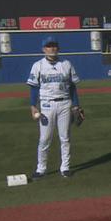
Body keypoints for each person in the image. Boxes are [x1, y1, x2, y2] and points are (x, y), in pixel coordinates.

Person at [27, 36, 81, 178]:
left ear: (57, 47)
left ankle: (65, 167)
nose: (51, 48)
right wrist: (33, 105)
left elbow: (72, 87)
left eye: (54, 46)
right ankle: (41, 169)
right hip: (46, 105)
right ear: (43, 49)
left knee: (65, 137)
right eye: (48, 46)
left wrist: (76, 106)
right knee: (44, 139)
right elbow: (33, 88)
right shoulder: (38, 66)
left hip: (64, 103)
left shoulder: (66, 64)